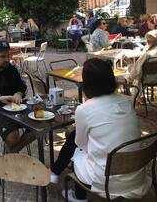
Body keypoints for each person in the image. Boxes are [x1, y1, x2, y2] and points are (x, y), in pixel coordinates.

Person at [50, 59, 150, 201]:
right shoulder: (127, 101)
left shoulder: (85, 109)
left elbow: (82, 145)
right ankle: (54, 172)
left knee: (77, 147)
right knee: (78, 140)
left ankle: (78, 196)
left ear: (86, 84)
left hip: (107, 181)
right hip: (136, 177)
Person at [127, 29, 157, 102]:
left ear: (148, 42)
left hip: (148, 79)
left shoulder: (147, 55)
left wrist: (129, 64)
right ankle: (139, 97)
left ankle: (134, 100)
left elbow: (136, 71)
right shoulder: (150, 53)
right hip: (153, 77)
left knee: (135, 75)